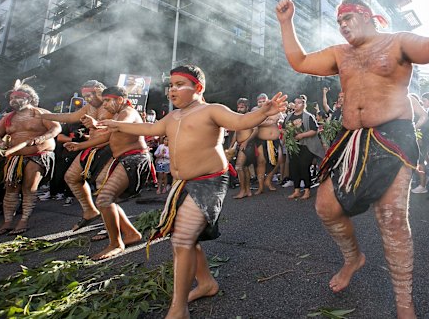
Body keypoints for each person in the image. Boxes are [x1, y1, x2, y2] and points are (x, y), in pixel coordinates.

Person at [276, 0, 429, 318]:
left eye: (348, 19)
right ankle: (353, 258)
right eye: (339, 22)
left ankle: (404, 300)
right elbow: (298, 61)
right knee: (326, 207)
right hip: (352, 140)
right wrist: (287, 23)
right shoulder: (339, 53)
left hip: (393, 135)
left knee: (391, 218)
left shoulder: (398, 41)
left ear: (369, 16)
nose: (343, 26)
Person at [100, 65, 287, 318]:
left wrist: (265, 111)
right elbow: (147, 129)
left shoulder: (212, 110)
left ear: (198, 88)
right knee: (188, 239)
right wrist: (113, 124)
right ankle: (207, 283)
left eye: (179, 84)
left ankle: (178, 310)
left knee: (181, 240)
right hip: (181, 185)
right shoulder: (171, 117)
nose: (172, 89)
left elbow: (241, 121)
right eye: (171, 85)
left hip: (209, 182)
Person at [67, 86, 153, 260]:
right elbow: (106, 137)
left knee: (104, 199)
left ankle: (116, 244)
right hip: (123, 160)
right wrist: (79, 146)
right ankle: (130, 234)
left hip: (134, 160)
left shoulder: (128, 112)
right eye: (104, 101)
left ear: (119, 99)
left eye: (107, 101)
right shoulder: (117, 115)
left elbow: (123, 125)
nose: (104, 105)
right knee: (106, 199)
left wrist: (97, 124)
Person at [36, 80, 114, 231]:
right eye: (85, 95)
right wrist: (45, 115)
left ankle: (111, 226)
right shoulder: (88, 107)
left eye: (89, 95)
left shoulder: (110, 105)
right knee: (71, 177)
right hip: (91, 148)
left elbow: (116, 126)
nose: (87, 98)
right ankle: (90, 211)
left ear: (99, 92)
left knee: (103, 187)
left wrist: (95, 125)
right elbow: (70, 117)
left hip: (109, 149)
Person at [0, 83, 61, 235]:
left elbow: (56, 128)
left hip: (38, 155)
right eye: (11, 98)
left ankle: (23, 221)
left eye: (17, 97)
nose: (13, 100)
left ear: (28, 98)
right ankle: (7, 222)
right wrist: (1, 143)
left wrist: (41, 138)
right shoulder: (8, 118)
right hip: (15, 157)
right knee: (10, 188)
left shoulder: (40, 113)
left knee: (29, 188)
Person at [283, 94, 325, 200]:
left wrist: (301, 135)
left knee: (304, 167)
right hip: (294, 146)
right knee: (294, 167)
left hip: (306, 145)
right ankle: (296, 190)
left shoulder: (308, 116)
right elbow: (283, 129)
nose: (296, 104)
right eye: (295, 102)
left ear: (303, 104)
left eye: (299, 102)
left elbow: (314, 130)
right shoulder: (289, 116)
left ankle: (307, 190)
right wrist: (288, 133)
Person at [228, 97, 257, 199]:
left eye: (242, 107)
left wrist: (246, 141)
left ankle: (242, 191)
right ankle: (247, 190)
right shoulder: (238, 117)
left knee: (238, 167)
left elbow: (255, 130)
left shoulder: (250, 116)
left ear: (247, 107)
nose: (239, 109)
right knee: (244, 168)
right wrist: (231, 146)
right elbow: (236, 132)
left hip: (247, 145)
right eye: (238, 107)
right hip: (241, 145)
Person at [254, 93, 283, 194]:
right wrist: (270, 121)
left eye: (264, 101)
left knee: (279, 160)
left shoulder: (274, 108)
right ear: (257, 102)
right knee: (261, 162)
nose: (262, 103)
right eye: (259, 101)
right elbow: (255, 122)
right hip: (261, 140)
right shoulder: (255, 110)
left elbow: (281, 119)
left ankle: (268, 180)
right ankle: (260, 186)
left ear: (268, 101)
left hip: (275, 140)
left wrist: (272, 119)